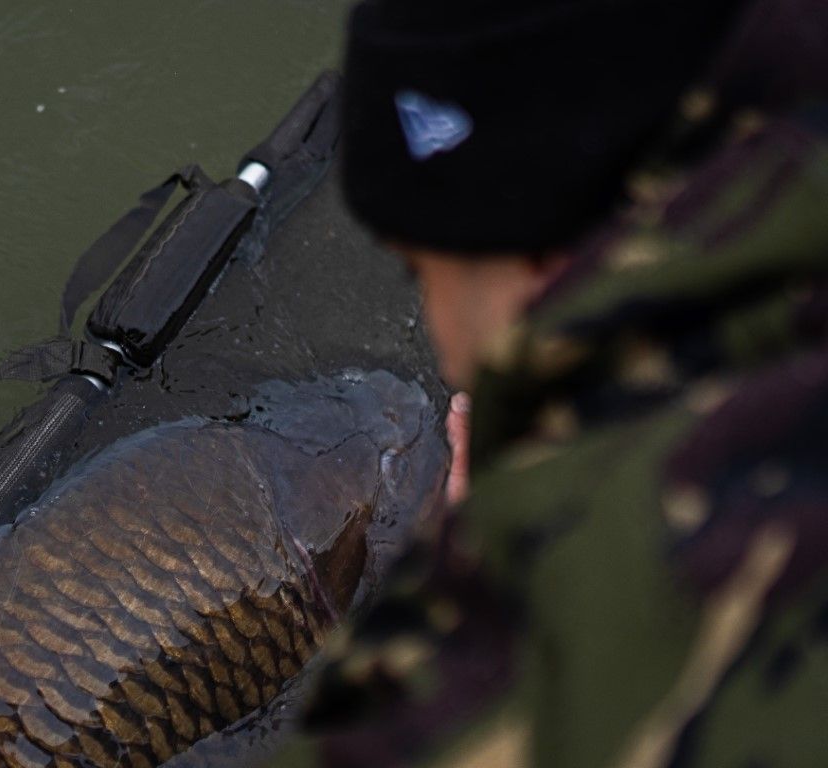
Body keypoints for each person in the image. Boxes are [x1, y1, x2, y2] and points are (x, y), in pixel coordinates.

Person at [269, 0, 828, 766]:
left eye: (421, 270)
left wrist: (499, 559)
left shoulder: (553, 637)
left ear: (540, 263)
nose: (445, 355)